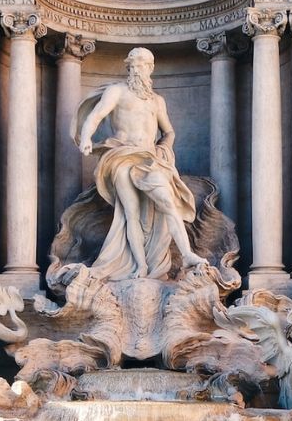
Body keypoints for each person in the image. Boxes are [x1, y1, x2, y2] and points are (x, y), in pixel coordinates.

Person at [71, 47, 209, 280]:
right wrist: (86, 138)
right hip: (121, 156)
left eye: (142, 64)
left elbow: (169, 131)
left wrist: (164, 147)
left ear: (150, 68)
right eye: (133, 64)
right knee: (130, 213)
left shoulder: (157, 101)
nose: (137, 68)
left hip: (149, 159)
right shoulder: (117, 91)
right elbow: (95, 116)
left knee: (167, 202)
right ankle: (140, 265)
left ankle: (187, 254)